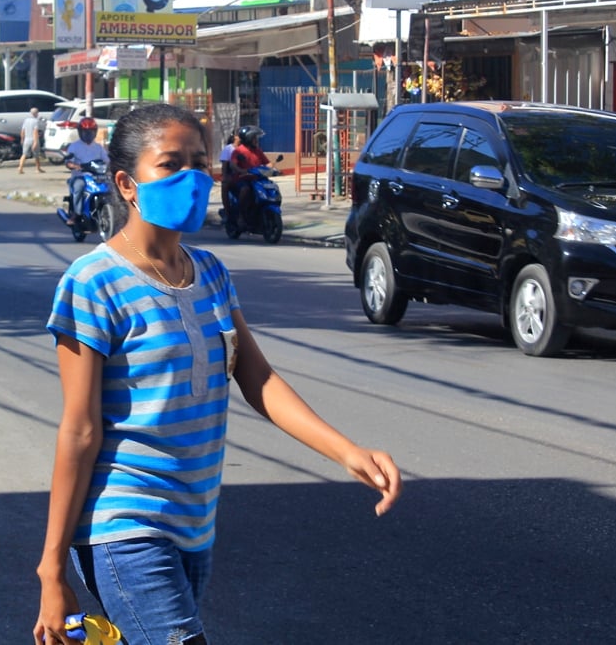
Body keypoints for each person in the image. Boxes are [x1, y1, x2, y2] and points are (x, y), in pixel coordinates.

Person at [35, 103, 402, 645]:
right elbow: (81, 432)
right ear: (126, 183)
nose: (190, 176)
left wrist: (348, 452)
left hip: (194, 522)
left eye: (198, 162)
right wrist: (51, 570)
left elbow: (258, 379)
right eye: (169, 164)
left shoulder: (209, 273)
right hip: (125, 523)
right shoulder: (93, 282)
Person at [62, 117, 109, 226]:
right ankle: (76, 214)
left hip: (96, 177)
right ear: (80, 132)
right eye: (85, 132)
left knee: (111, 187)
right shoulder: (74, 146)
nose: (88, 134)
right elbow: (68, 162)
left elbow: (107, 161)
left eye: (91, 132)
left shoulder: (98, 147)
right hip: (80, 176)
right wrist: (74, 166)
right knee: (79, 186)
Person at [230, 125, 270, 222]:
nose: (256, 140)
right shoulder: (238, 151)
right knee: (245, 190)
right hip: (243, 179)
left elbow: (267, 163)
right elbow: (233, 165)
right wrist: (241, 170)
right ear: (248, 139)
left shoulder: (258, 151)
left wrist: (272, 168)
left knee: (270, 187)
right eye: (254, 138)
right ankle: (241, 215)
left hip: (257, 179)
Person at [18, 107, 47, 174]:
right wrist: (35, 142)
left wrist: (22, 139)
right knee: (36, 155)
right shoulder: (35, 121)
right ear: (36, 113)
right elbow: (35, 132)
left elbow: (23, 130)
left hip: (26, 139)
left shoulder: (26, 120)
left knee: (24, 154)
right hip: (33, 139)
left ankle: (20, 167)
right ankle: (38, 168)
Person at [218, 129, 239, 219]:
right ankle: (227, 212)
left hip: (245, 174)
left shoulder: (246, 148)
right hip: (232, 175)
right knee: (225, 186)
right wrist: (225, 177)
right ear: (234, 137)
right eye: (238, 135)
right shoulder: (229, 149)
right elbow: (225, 164)